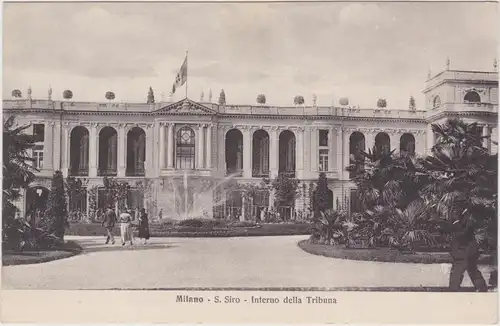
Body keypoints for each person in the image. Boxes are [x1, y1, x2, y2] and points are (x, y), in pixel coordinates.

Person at [437, 213, 488, 292]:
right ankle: (481, 287)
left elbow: (463, 234)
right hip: (465, 251)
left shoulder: (467, 220)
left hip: (464, 251)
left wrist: (452, 227)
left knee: (458, 270)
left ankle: (453, 289)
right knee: (472, 269)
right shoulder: (461, 219)